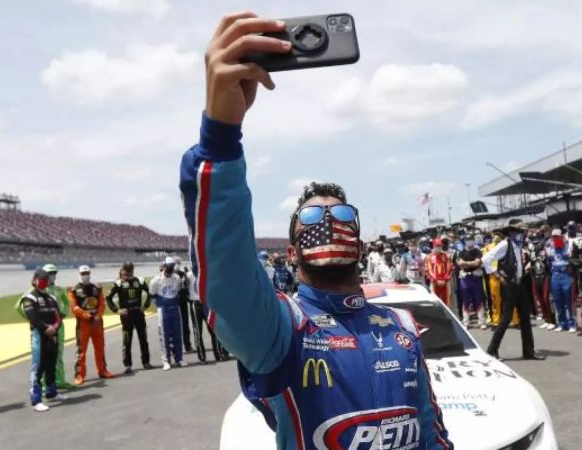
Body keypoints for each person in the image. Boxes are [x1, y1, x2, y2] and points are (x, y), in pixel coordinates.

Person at [178, 14, 453, 448]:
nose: (326, 222)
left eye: (340, 214)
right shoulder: (283, 328)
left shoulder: (402, 325)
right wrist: (220, 137)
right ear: (291, 254)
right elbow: (227, 278)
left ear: (359, 244)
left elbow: (432, 431)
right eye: (310, 218)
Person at [483, 219, 545, 360]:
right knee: (505, 319)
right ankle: (492, 349)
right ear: (511, 232)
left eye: (522, 232)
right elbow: (487, 258)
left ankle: (528, 351)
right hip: (509, 285)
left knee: (525, 318)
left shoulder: (519, 246)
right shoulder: (505, 244)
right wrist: (497, 275)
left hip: (520, 284)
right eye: (519, 231)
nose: (521, 234)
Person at [13, 264, 72, 390]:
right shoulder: (31, 292)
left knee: (57, 355)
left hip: (57, 327)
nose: (52, 276)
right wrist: (32, 320)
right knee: (40, 360)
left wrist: (62, 315)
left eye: (54, 273)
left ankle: (59, 381)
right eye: (49, 273)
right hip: (41, 330)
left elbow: (66, 303)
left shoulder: (59, 290)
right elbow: (18, 307)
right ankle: (41, 387)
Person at [21, 269, 68, 412]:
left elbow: (58, 316)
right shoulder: (29, 298)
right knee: (38, 367)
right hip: (39, 336)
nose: (44, 281)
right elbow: (33, 317)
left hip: (53, 336)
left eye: (46, 279)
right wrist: (46, 329)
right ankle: (36, 400)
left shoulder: (51, 298)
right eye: (41, 278)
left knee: (51, 365)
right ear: (34, 280)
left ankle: (51, 392)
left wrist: (54, 328)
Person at [68, 266, 116, 385]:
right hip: (83, 323)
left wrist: (98, 315)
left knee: (100, 347)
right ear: (79, 274)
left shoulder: (97, 288)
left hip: (97, 322)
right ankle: (79, 374)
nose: (85, 275)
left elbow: (102, 303)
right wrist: (86, 315)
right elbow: (74, 307)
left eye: (87, 273)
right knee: (81, 351)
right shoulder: (74, 290)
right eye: (83, 273)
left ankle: (102, 370)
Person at [106, 262, 153, 373]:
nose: (128, 271)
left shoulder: (140, 281)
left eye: (130, 269)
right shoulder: (119, 283)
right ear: (123, 269)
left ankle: (146, 362)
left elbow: (150, 293)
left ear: (133, 269)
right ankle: (128, 365)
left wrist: (145, 306)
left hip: (139, 314)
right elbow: (108, 298)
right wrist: (116, 310)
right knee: (127, 340)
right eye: (126, 269)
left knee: (143, 339)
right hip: (127, 316)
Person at [183, 266, 227, 363]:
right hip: (196, 303)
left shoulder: (207, 272)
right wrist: (185, 282)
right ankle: (202, 357)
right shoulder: (189, 275)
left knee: (214, 330)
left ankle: (218, 354)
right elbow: (184, 289)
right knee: (198, 332)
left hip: (207, 303)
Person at [149, 257, 187, 370]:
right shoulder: (155, 280)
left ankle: (179, 358)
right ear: (164, 267)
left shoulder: (177, 278)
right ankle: (166, 360)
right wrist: (162, 303)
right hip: (163, 310)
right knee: (164, 335)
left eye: (172, 269)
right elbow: (152, 297)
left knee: (177, 334)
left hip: (175, 309)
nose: (170, 271)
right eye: (168, 268)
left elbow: (179, 292)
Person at [547, 229, 576, 332]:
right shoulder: (550, 247)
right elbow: (549, 262)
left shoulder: (567, 246)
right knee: (558, 301)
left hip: (565, 275)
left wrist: (572, 276)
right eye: (553, 236)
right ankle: (562, 323)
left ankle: (572, 324)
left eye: (557, 236)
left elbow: (572, 261)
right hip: (555, 275)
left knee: (569, 301)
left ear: (561, 236)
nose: (555, 238)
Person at [457, 236, 486, 329]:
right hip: (465, 279)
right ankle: (466, 322)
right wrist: (471, 263)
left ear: (473, 241)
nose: (469, 242)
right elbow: (460, 264)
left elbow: (477, 263)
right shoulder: (461, 252)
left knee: (478, 299)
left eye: (471, 240)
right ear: (465, 241)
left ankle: (481, 321)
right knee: (465, 301)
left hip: (476, 277)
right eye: (467, 240)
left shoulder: (478, 251)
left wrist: (466, 263)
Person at [425, 238, 454, 306]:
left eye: (440, 246)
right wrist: (436, 280)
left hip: (445, 283)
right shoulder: (429, 257)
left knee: (447, 301)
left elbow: (450, 268)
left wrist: (445, 279)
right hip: (434, 283)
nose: (439, 247)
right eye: (437, 246)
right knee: (434, 302)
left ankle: (446, 316)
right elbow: (428, 270)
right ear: (433, 246)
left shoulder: (447, 256)